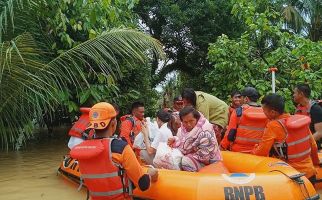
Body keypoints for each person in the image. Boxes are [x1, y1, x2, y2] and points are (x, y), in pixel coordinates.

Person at [70, 102, 158, 200]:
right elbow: (143, 185)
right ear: (113, 123)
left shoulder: (82, 150)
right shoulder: (121, 148)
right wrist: (151, 173)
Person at [251, 94, 317, 180]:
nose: (263, 113)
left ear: (273, 112)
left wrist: (254, 149)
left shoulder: (273, 126)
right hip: (310, 173)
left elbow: (262, 152)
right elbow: (313, 145)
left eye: (264, 111)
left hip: (292, 176)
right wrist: (316, 163)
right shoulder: (298, 120)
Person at [168, 106, 222, 172]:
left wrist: (184, 155)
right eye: (185, 122)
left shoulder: (205, 130)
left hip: (209, 163)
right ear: (182, 121)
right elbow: (182, 140)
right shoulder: (182, 128)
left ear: (197, 119)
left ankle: (193, 179)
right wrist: (175, 140)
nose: (189, 124)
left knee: (185, 161)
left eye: (191, 121)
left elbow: (205, 156)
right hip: (194, 157)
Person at [221, 87, 268, 153]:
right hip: (258, 152)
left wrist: (222, 147)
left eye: (241, 97)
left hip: (239, 152)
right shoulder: (266, 113)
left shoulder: (238, 111)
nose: (240, 100)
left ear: (246, 99)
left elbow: (230, 134)